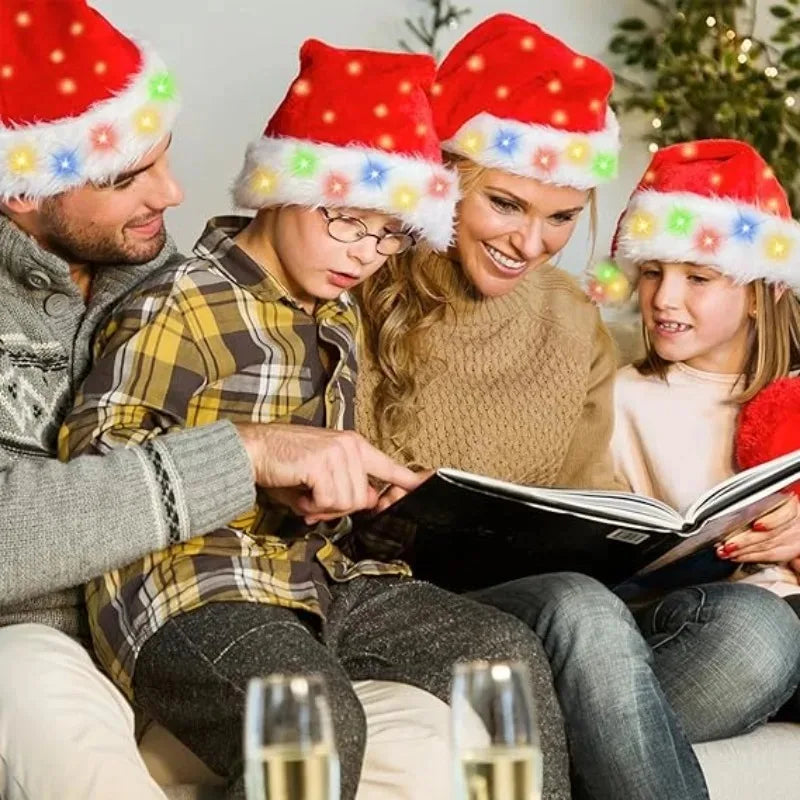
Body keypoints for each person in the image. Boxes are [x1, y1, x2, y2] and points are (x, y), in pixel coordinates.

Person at [59, 38, 571, 800]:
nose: (366, 253)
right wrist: (250, 461)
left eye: (389, 233)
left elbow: (320, 495)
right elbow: (101, 457)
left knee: (502, 659)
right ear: (280, 187)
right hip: (192, 591)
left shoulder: (334, 316)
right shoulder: (182, 302)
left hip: (318, 581)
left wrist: (396, 503)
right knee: (313, 719)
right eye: (347, 220)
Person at [356, 15, 800, 800]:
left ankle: (590, 732)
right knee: (581, 604)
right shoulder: (361, 284)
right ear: (446, 176)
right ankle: (598, 730)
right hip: (419, 599)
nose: (531, 243)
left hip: (564, 605)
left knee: (756, 630)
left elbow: (593, 499)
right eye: (505, 205)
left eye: (560, 218)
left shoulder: (571, 317)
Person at [611, 138, 800, 598]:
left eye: (697, 277)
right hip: (691, 609)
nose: (663, 298)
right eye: (652, 272)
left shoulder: (790, 399)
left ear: (759, 294)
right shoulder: (622, 397)